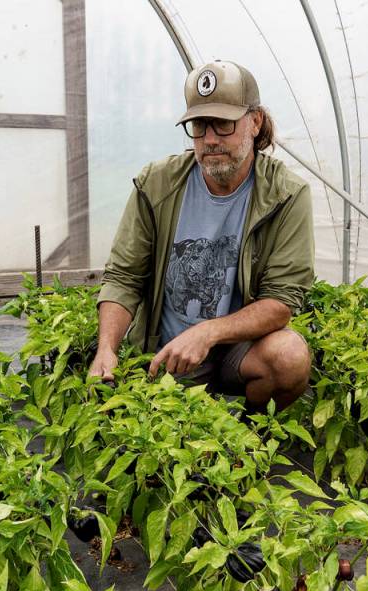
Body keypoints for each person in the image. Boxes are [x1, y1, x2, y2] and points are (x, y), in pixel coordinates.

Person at [88, 60, 314, 410]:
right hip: (162, 352)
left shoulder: (285, 194)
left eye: (223, 124)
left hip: (233, 354)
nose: (210, 139)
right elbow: (124, 276)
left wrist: (208, 332)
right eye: (199, 126)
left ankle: (246, 443)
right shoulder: (158, 183)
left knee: (289, 357)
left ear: (255, 123)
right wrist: (106, 350)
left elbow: (280, 302)